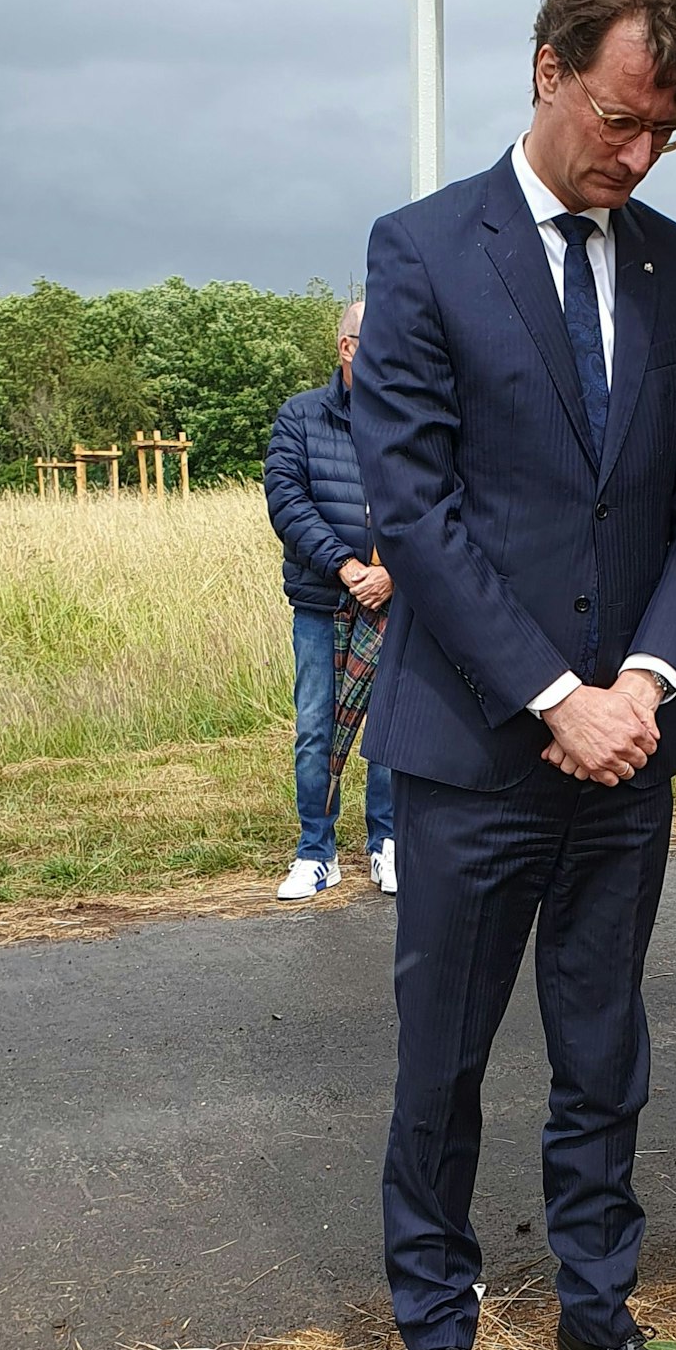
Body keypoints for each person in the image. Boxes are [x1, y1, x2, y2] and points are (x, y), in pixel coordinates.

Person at [350, 0, 676, 1350]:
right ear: (547, 70)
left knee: (604, 1044)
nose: (635, 158)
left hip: (627, 752)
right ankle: (438, 1332)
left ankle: (595, 1306)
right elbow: (419, 506)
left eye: (665, 134)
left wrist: (644, 678)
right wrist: (551, 695)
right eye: (619, 120)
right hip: (475, 751)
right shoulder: (425, 252)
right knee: (444, 1054)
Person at [263, 299, 397, 900]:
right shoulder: (300, 418)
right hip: (322, 601)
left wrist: (394, 569)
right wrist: (347, 568)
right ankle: (316, 852)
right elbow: (287, 502)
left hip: (395, 601)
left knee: (389, 729)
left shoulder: (407, 418)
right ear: (348, 348)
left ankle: (385, 844)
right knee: (317, 726)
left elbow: (436, 497)